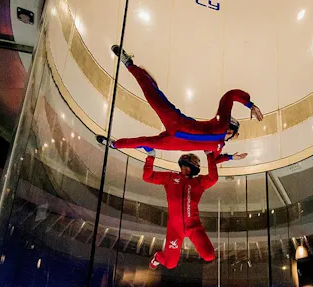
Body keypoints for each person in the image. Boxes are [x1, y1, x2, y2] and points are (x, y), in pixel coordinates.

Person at [97, 49, 263, 156]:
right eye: (236, 133)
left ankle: (114, 145)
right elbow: (230, 95)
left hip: (175, 142)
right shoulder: (221, 124)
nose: (236, 136)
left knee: (145, 141)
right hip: (178, 123)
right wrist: (250, 104)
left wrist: (231, 158)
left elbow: (215, 161)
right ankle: (130, 64)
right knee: (152, 96)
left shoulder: (218, 147)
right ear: (230, 129)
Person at [143, 151, 221, 269]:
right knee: (170, 264)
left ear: (193, 168)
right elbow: (148, 177)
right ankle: (158, 257)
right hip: (175, 229)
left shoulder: (198, 182)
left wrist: (209, 155)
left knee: (209, 255)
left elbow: (213, 178)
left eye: (189, 166)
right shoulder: (171, 178)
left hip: (194, 226)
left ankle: (194, 248)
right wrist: (151, 157)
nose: (186, 169)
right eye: (184, 165)